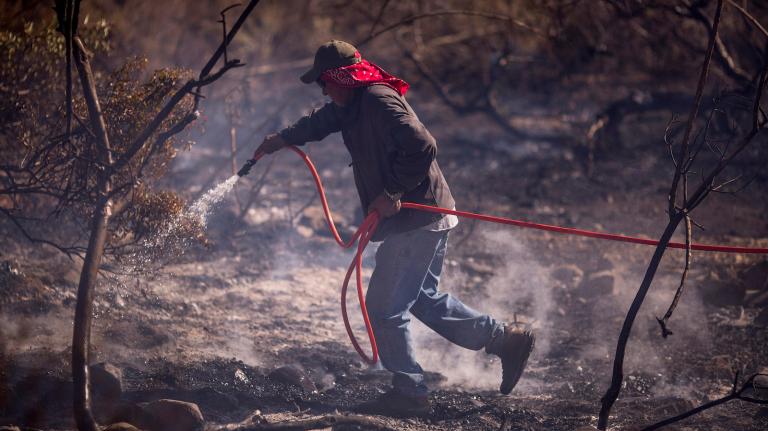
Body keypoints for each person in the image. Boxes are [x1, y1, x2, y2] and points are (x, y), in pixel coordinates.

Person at [254, 40, 534, 416]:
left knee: (384, 308)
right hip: (427, 216)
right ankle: (504, 341)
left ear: (342, 76)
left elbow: (423, 145)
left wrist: (392, 192)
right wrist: (282, 139)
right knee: (420, 299)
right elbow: (320, 121)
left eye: (324, 82)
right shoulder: (350, 104)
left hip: (417, 216)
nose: (323, 90)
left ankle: (410, 392)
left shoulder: (376, 101)